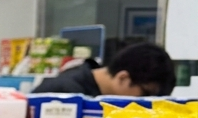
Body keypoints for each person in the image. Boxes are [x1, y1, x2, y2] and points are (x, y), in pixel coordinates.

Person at [32, 41, 175, 96]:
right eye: (145, 95)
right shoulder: (65, 93)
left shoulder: (93, 85)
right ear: (123, 78)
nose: (146, 104)